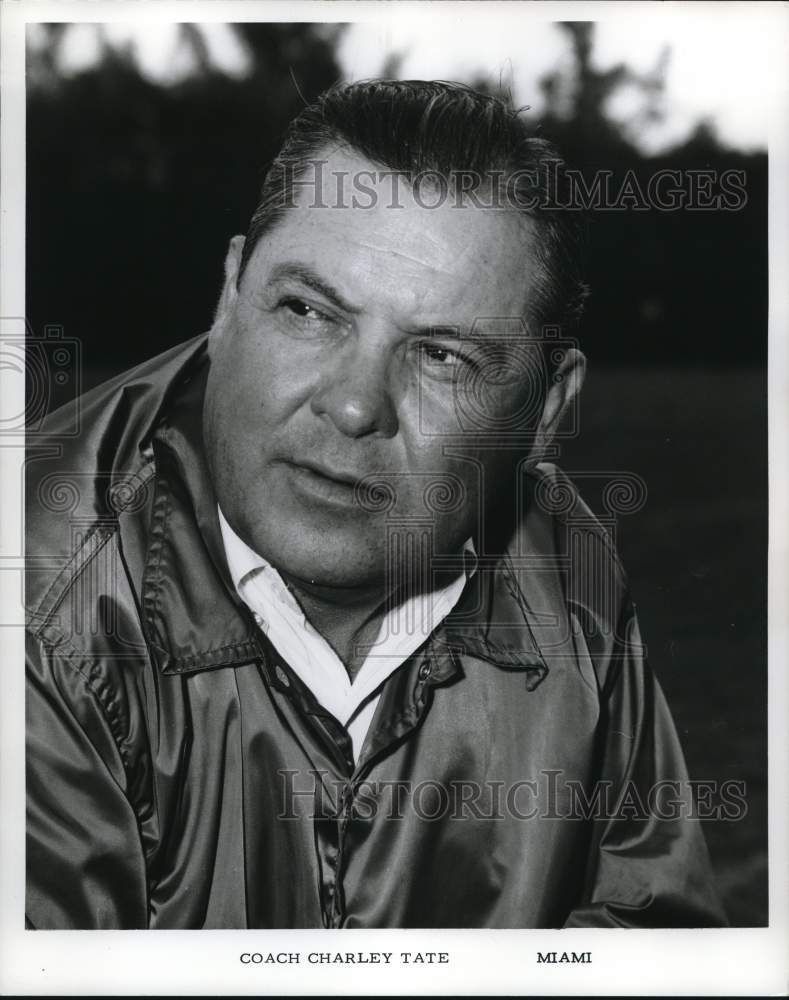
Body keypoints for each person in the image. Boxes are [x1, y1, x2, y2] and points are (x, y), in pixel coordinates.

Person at [25, 79, 726, 929]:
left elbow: (652, 939)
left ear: (544, 413)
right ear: (228, 297)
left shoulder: (562, 565)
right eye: (309, 311)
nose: (355, 405)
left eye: (441, 357)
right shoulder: (41, 600)